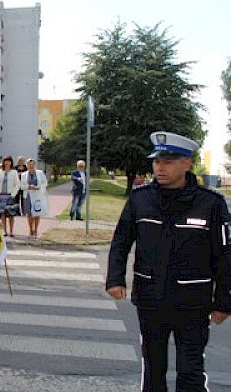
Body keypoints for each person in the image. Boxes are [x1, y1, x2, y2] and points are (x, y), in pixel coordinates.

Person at [106, 131, 230, 392]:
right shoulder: (141, 199)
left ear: (187, 163)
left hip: (193, 302)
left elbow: (225, 256)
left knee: (191, 372)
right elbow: (121, 241)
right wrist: (115, 279)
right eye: (157, 161)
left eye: (169, 161)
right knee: (153, 370)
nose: (160, 167)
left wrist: (224, 302)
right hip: (151, 298)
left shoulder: (211, 204)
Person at [19, 158, 47, 239]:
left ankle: (36, 230)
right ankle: (31, 229)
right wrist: (28, 186)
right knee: (29, 214)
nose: (31, 166)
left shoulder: (40, 173)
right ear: (27, 165)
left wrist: (39, 187)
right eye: (29, 164)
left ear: (35, 165)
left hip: (37, 196)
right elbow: (21, 186)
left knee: (37, 213)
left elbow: (45, 183)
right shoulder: (24, 175)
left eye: (32, 164)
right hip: (28, 195)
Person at [0, 156, 20, 237]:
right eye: (5, 161)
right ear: (3, 162)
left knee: (11, 214)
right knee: (2, 214)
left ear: (11, 163)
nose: (7, 163)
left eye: (9, 161)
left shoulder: (14, 172)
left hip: (10, 195)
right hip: (1, 196)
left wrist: (13, 194)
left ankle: (11, 231)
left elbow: (17, 184)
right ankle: (4, 230)